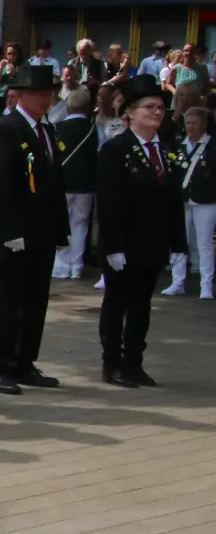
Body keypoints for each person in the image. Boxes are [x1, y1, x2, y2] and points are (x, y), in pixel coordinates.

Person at [0, 65, 68, 395]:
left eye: (49, 94)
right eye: (39, 93)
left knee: (35, 299)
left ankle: (24, 361)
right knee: (8, 297)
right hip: (16, 229)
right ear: (22, 95)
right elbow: (0, 186)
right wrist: (8, 231)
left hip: (42, 229)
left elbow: (55, 183)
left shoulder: (48, 131)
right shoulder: (4, 129)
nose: (46, 99)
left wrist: (60, 228)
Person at [97, 74, 185, 387]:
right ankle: (113, 363)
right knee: (117, 304)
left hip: (154, 242)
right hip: (124, 243)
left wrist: (178, 244)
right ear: (129, 112)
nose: (156, 112)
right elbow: (107, 202)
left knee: (141, 305)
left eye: (160, 107)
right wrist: (112, 246)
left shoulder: (167, 149)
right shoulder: (116, 149)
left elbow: (174, 200)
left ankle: (134, 362)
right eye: (149, 107)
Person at [170, 107, 215, 299]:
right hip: (182, 200)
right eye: (188, 123)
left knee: (204, 244)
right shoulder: (179, 145)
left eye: (195, 123)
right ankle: (177, 281)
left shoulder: (212, 145)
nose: (190, 127)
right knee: (179, 242)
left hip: (206, 200)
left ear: (204, 125)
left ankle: (206, 285)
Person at [53, 88, 98, 280]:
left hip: (62, 183)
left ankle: (62, 266)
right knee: (80, 225)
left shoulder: (57, 128)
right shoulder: (93, 129)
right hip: (85, 184)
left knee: (62, 225)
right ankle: (76, 266)